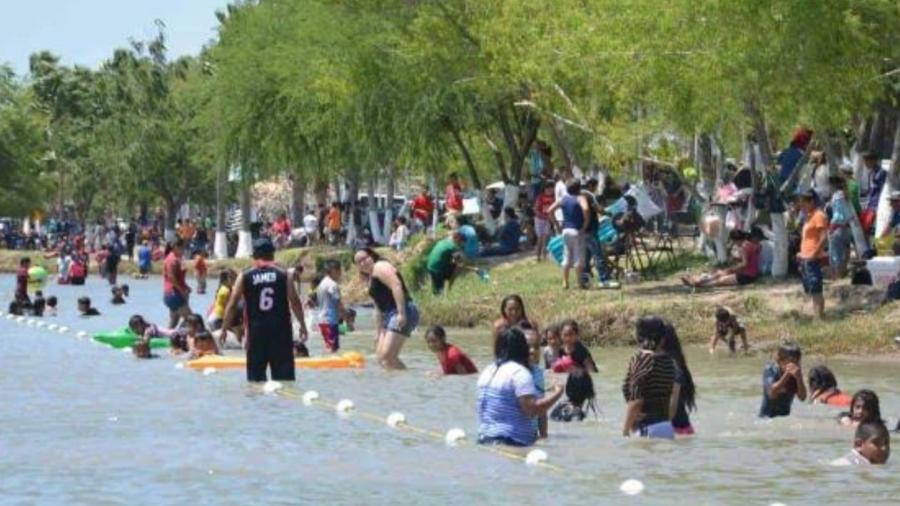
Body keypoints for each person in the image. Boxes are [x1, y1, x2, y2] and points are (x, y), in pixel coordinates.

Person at [223, 238, 308, 382]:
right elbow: (295, 302)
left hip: (256, 334)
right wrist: (303, 325)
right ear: (272, 254)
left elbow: (232, 304)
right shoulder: (284, 273)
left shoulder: (244, 276)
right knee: (284, 381)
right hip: (281, 334)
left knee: (255, 383)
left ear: (255, 255)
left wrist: (224, 328)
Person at [476, 327, 563, 446]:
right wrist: (557, 393)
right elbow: (532, 410)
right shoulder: (519, 373)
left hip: (484, 439)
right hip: (510, 442)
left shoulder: (488, 370)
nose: (531, 351)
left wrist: (543, 436)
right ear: (522, 348)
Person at [354, 248, 419, 369]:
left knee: (388, 357)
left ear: (372, 256)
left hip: (402, 310)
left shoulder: (380, 266)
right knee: (381, 358)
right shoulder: (371, 277)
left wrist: (401, 313)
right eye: (359, 262)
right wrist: (379, 332)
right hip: (388, 316)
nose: (363, 263)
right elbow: (378, 306)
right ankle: (393, 385)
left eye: (364, 258)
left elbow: (396, 285)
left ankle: (410, 382)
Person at [621, 316, 677, 438]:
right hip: (666, 427)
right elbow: (672, 399)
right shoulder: (669, 361)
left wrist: (625, 431)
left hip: (647, 428)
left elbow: (636, 401)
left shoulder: (641, 359)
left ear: (640, 336)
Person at [682, 229, 762, 288]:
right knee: (720, 273)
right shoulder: (748, 244)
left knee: (720, 280)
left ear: (735, 240)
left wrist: (732, 269)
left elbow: (744, 264)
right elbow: (747, 259)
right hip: (748, 273)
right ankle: (697, 280)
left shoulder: (744, 247)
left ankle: (698, 284)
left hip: (748, 275)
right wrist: (734, 258)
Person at [548, 180, 590, 289]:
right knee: (578, 257)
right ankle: (580, 282)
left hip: (566, 230)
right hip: (577, 230)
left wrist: (557, 225)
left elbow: (549, 210)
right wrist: (585, 224)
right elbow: (585, 209)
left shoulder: (563, 199)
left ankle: (565, 281)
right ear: (579, 188)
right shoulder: (580, 198)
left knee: (566, 256)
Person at [796, 190, 828, 318]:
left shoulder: (819, 215)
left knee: (816, 288)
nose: (802, 207)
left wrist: (814, 253)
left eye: (804, 204)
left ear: (811, 202)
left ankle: (818, 316)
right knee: (810, 287)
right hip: (805, 256)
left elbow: (823, 237)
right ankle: (817, 314)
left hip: (812, 257)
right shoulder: (809, 216)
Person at [759, 342, 807, 418]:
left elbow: (802, 397)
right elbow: (772, 393)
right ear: (779, 360)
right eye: (790, 361)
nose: (793, 365)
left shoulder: (796, 375)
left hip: (785, 417)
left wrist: (799, 378)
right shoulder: (771, 370)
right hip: (767, 418)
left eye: (796, 362)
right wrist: (787, 374)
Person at [316, 259, 349, 353]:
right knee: (332, 347)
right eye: (340, 270)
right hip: (330, 320)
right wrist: (347, 319)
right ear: (334, 270)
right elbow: (338, 303)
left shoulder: (322, 283)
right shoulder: (332, 284)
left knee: (330, 345)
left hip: (322, 319)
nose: (341, 273)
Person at [522, 323, 548, 438]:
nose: (532, 351)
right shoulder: (513, 373)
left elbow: (542, 411)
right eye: (528, 347)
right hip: (516, 438)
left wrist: (544, 437)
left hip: (532, 437)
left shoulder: (538, 373)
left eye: (536, 347)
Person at [163, 239, 192, 329]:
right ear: (175, 247)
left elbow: (178, 278)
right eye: (182, 248)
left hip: (171, 294)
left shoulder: (175, 259)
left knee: (173, 321)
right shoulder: (172, 260)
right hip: (174, 294)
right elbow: (171, 277)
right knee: (191, 320)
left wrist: (186, 286)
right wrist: (182, 290)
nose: (184, 250)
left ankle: (169, 338)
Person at [827, 176, 853, 278]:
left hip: (838, 228)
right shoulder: (846, 196)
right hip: (847, 228)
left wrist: (832, 226)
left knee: (836, 253)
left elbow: (838, 215)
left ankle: (838, 276)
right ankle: (843, 272)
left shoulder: (837, 197)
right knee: (845, 252)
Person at [533, 181, 555, 262]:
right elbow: (535, 209)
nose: (551, 190)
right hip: (539, 220)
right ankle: (538, 257)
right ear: (545, 188)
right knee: (540, 239)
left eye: (552, 188)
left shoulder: (554, 197)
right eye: (549, 188)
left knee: (546, 239)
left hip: (548, 220)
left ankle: (544, 257)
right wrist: (543, 216)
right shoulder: (540, 197)